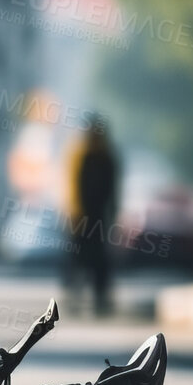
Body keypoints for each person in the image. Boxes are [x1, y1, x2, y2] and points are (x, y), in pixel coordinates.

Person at [68, 118, 120, 314]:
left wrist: (113, 212)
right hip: (81, 215)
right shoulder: (82, 156)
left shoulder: (107, 157)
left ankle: (101, 297)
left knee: (100, 259)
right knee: (77, 257)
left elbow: (113, 188)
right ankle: (74, 295)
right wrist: (74, 211)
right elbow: (73, 185)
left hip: (99, 216)